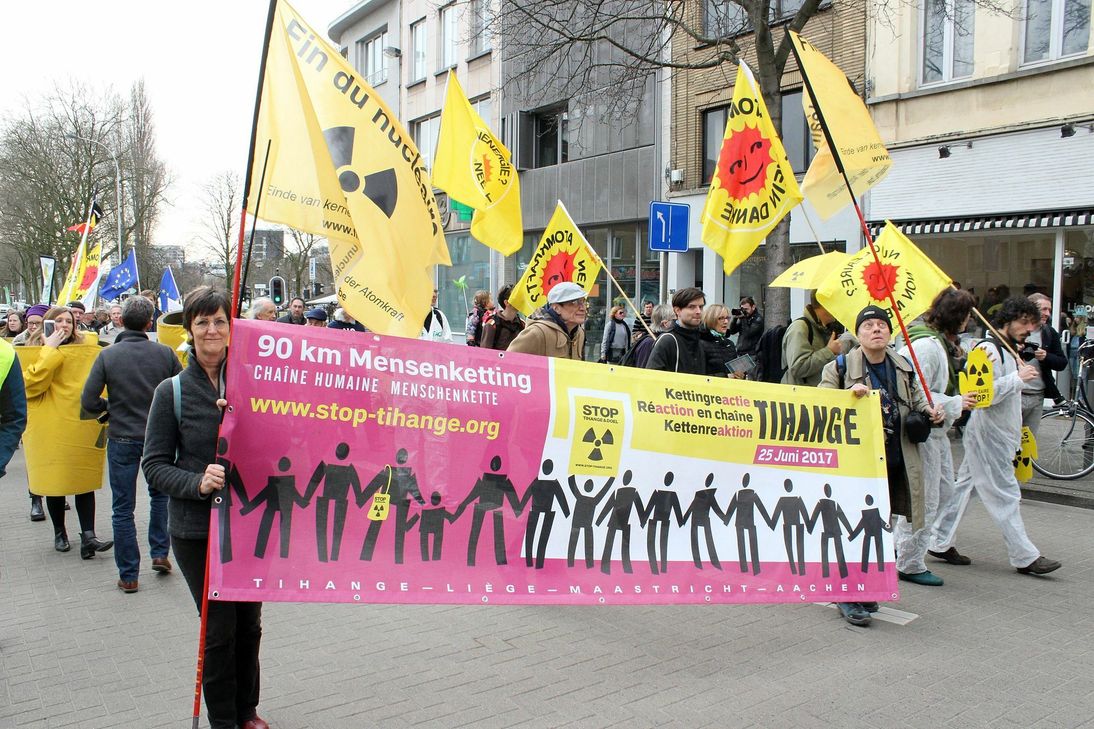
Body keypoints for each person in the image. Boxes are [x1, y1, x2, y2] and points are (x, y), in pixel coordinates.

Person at [142, 288, 269, 729]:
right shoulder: (170, 392)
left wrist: (243, 420)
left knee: (249, 626)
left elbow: (282, 444)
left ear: (232, 328)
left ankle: (246, 709)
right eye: (202, 322)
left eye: (219, 321)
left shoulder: (252, 382)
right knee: (218, 632)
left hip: (249, 525)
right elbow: (154, 466)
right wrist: (197, 482)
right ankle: (224, 720)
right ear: (189, 330)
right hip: (197, 530)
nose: (212, 330)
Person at [820, 306, 943, 626]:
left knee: (877, 526)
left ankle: (864, 585)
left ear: (891, 333)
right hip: (855, 464)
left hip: (893, 460)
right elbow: (820, 405)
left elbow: (918, 404)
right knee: (853, 527)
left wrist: (933, 412)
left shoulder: (903, 367)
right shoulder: (841, 366)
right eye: (869, 326)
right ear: (858, 335)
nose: (877, 330)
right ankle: (847, 594)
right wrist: (849, 395)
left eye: (882, 326)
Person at [931, 297, 1062, 576]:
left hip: (999, 434)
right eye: (1023, 322)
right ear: (1008, 320)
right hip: (988, 435)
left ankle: (939, 540)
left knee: (964, 487)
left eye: (1032, 324)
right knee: (1005, 495)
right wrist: (1017, 379)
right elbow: (980, 396)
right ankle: (1025, 555)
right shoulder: (988, 350)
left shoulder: (1010, 350)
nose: (1028, 328)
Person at [81, 296, 182, 593]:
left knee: (122, 509)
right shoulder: (164, 354)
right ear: (150, 322)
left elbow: (87, 402)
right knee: (160, 497)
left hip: (122, 436)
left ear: (121, 320)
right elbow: (182, 391)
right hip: (158, 436)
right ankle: (160, 552)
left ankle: (128, 574)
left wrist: (109, 407)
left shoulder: (108, 356)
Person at [896, 289, 978, 587]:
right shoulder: (928, 347)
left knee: (943, 491)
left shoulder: (939, 345)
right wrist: (958, 403)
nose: (970, 320)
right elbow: (917, 392)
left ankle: (900, 548)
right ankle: (909, 560)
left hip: (936, 433)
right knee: (926, 498)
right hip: (925, 432)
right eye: (967, 315)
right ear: (957, 316)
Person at [23, 307, 112, 558]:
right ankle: (60, 532)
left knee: (84, 481)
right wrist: (49, 349)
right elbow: (31, 385)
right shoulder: (31, 349)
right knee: (56, 480)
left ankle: (88, 537)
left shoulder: (86, 350)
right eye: (58, 320)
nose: (64, 325)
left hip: (79, 421)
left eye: (69, 321)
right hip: (49, 423)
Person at [1022, 293, 1067, 439]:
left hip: (1037, 396)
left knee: (1028, 442)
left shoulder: (1049, 332)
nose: (1048, 313)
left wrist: (1046, 356)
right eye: (1044, 309)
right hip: (1016, 394)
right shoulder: (1016, 330)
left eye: (1049, 310)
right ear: (1030, 309)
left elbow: (1061, 363)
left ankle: (1025, 462)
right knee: (1009, 442)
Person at [507, 282, 587, 360]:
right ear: (556, 308)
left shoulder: (579, 333)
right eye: (574, 303)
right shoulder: (537, 333)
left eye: (583, 301)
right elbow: (507, 363)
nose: (582, 308)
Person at [782, 291, 843, 386]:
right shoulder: (800, 328)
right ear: (824, 304)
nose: (839, 308)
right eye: (836, 303)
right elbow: (797, 368)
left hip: (816, 395)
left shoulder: (825, 329)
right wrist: (829, 351)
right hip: (798, 396)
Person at [646, 287, 707, 375]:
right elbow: (653, 378)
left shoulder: (702, 339)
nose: (698, 311)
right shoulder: (667, 340)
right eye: (692, 307)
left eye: (701, 307)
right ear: (677, 310)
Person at [700, 303, 739, 378]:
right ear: (711, 319)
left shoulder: (730, 344)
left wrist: (740, 375)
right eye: (721, 318)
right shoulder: (701, 343)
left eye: (727, 318)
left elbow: (734, 370)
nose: (726, 322)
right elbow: (698, 376)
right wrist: (726, 376)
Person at [480, 284, 524, 351]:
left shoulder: (522, 324)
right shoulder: (492, 325)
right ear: (506, 302)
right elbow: (484, 354)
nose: (520, 299)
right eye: (516, 296)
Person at [628, 304, 673, 368]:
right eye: (673, 320)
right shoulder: (649, 343)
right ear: (665, 323)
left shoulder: (664, 339)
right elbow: (643, 370)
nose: (676, 322)